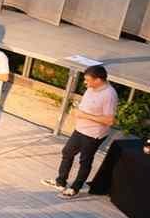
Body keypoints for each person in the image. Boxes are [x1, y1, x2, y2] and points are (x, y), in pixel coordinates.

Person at [43, 64, 118, 198]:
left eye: (88, 80)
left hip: (93, 134)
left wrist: (85, 115)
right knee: (67, 152)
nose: (85, 82)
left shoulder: (109, 95)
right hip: (80, 129)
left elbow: (109, 120)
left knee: (85, 160)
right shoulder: (91, 88)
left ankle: (75, 189)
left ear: (98, 80)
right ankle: (60, 182)